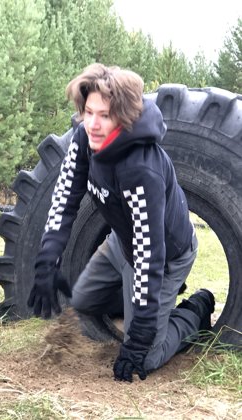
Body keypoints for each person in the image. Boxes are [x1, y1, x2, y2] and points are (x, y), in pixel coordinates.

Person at [27, 63, 215, 382]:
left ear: (123, 117)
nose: (93, 124)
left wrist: (138, 342)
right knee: (84, 303)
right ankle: (149, 306)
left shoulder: (141, 169)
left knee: (148, 354)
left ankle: (195, 309)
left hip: (166, 255)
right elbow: (64, 200)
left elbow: (149, 255)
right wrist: (47, 261)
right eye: (89, 112)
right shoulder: (84, 138)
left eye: (104, 115)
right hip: (122, 240)